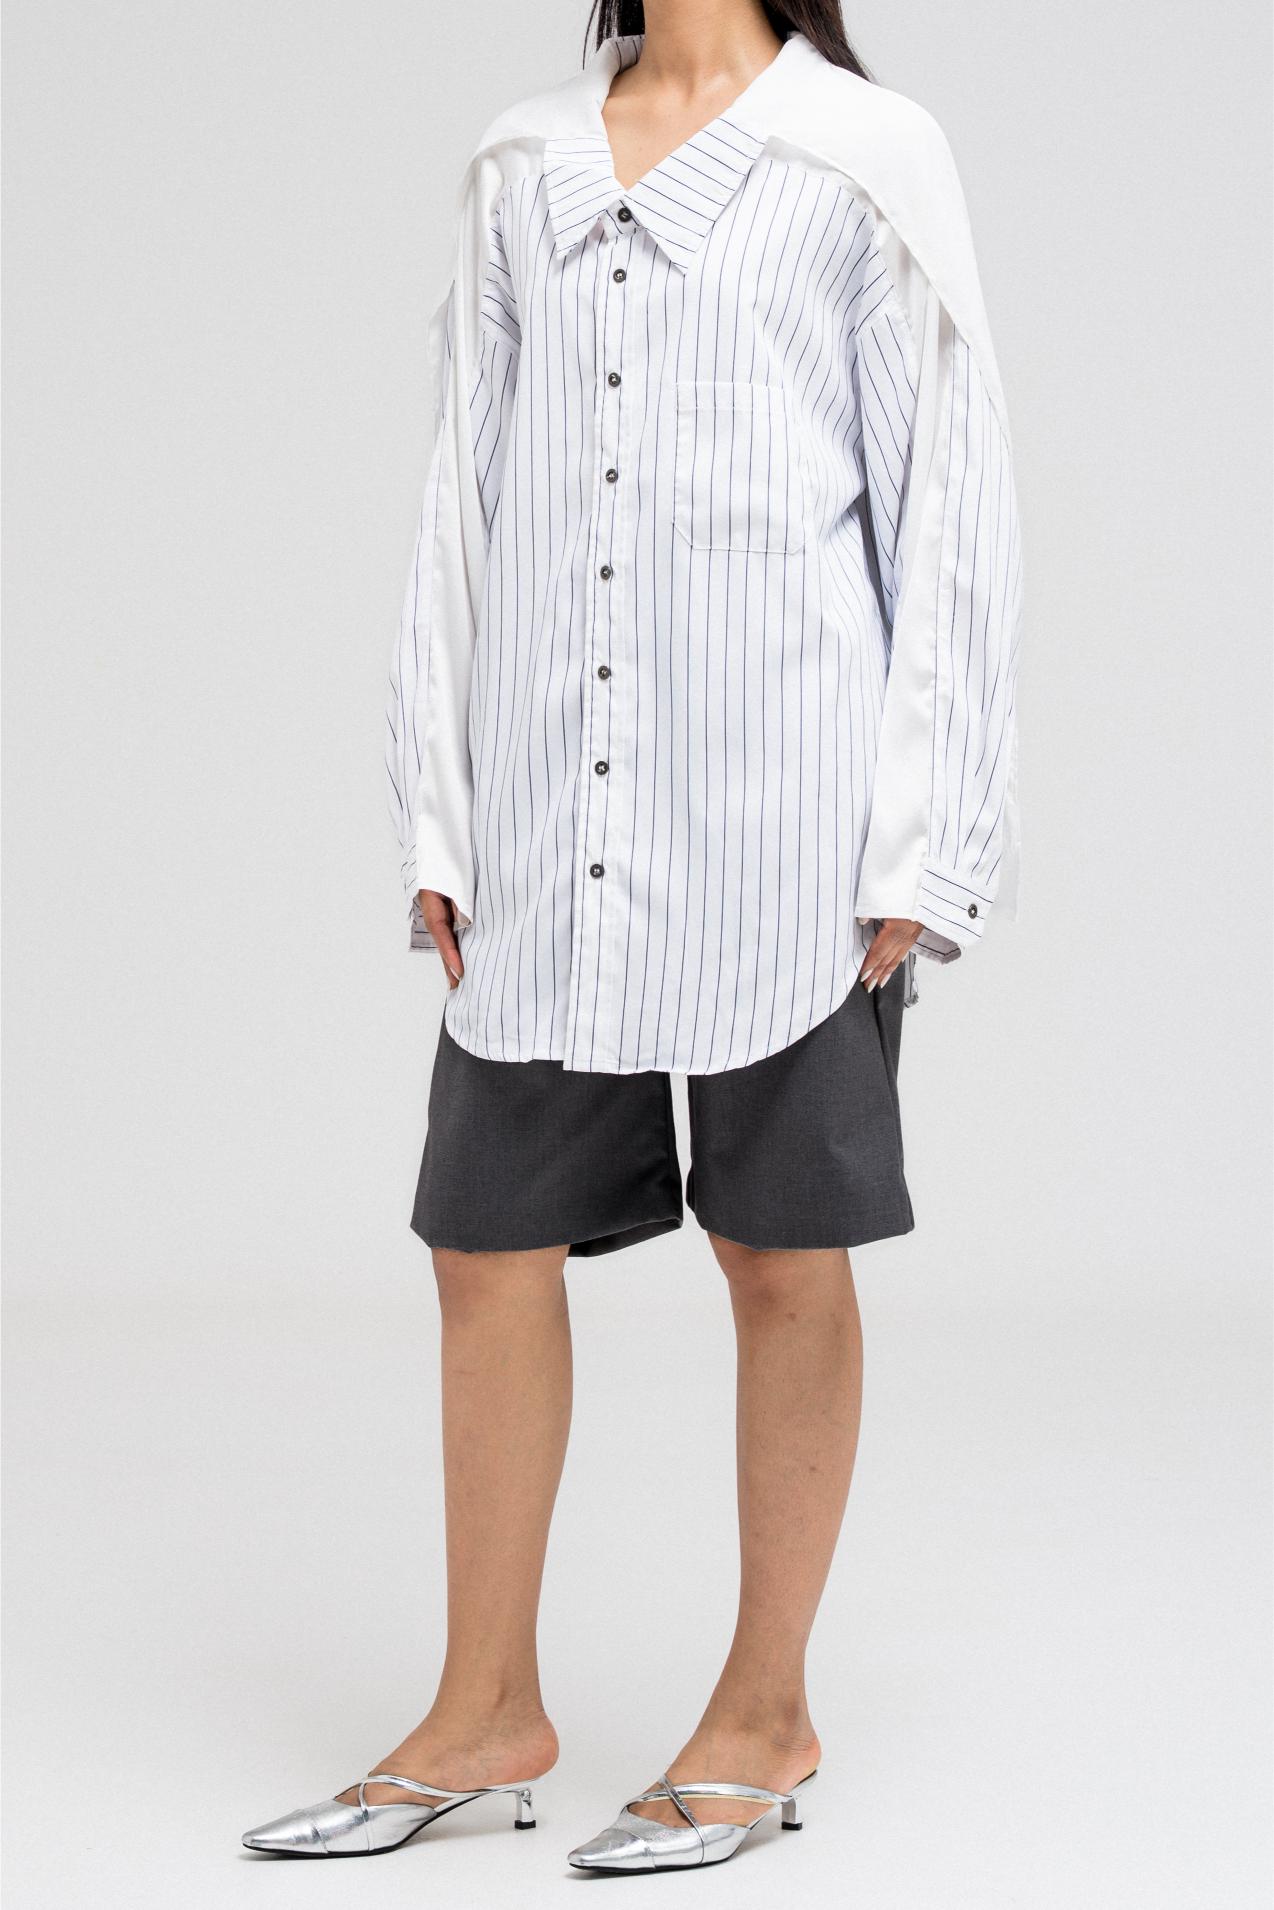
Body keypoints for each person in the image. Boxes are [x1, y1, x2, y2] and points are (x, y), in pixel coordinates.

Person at [244, 0, 1022, 1873]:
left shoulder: (864, 158)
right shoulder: (523, 158)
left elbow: (950, 496)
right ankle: (483, 1707)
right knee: (483, 1245)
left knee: (780, 1248)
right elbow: (464, 485)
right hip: (547, 803)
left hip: (790, 818)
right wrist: (438, 798)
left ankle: (764, 1712)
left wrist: (929, 832)